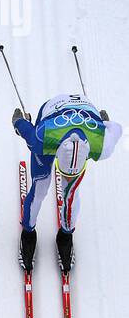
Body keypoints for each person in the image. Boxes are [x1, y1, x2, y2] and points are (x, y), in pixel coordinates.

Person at [12, 95, 121, 273]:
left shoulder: (103, 145)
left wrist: (104, 124)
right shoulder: (41, 138)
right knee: (41, 186)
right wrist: (18, 122)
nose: (67, 178)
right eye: (63, 174)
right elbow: (24, 128)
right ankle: (28, 232)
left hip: (85, 112)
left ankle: (66, 234)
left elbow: (116, 129)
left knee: (71, 192)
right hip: (51, 112)